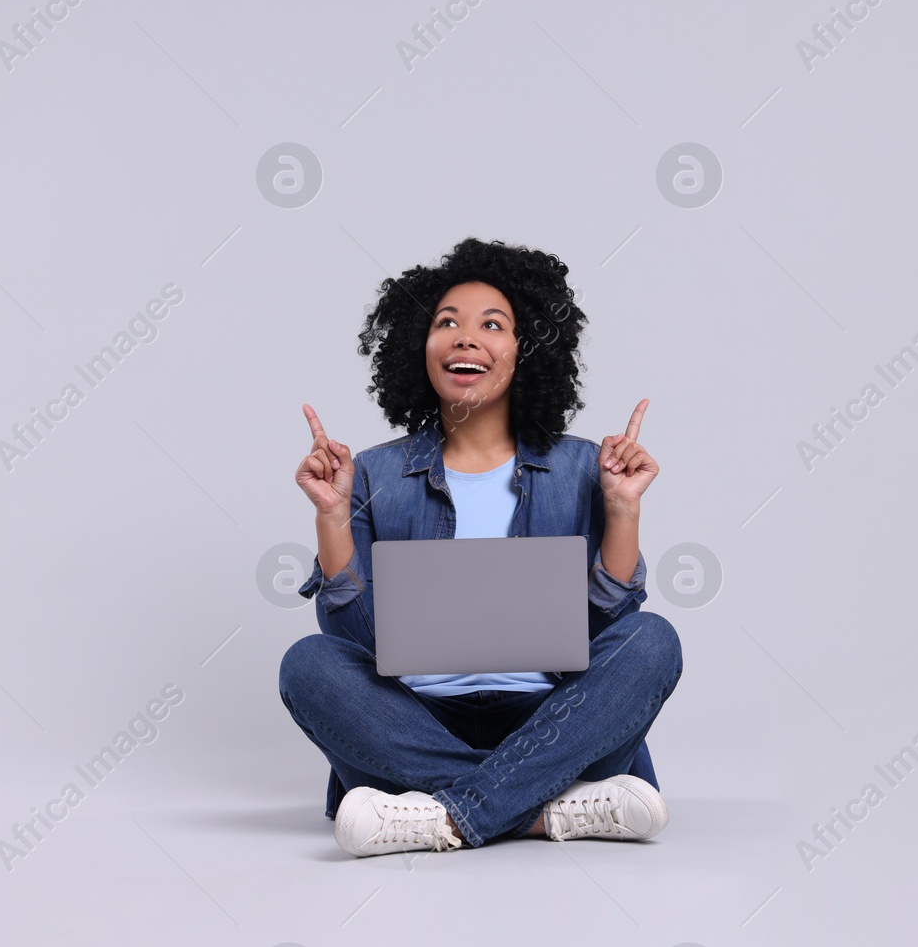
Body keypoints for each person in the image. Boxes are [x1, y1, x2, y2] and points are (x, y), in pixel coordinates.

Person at [278, 236, 684, 857]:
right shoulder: (372, 475)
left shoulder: (582, 469)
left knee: (653, 640)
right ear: (421, 348)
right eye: (447, 323)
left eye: (492, 325)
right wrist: (333, 517)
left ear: (526, 351)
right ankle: (546, 806)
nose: (466, 338)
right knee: (308, 664)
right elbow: (353, 643)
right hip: (413, 720)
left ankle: (440, 812)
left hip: (552, 718)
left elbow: (608, 628)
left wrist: (623, 509)